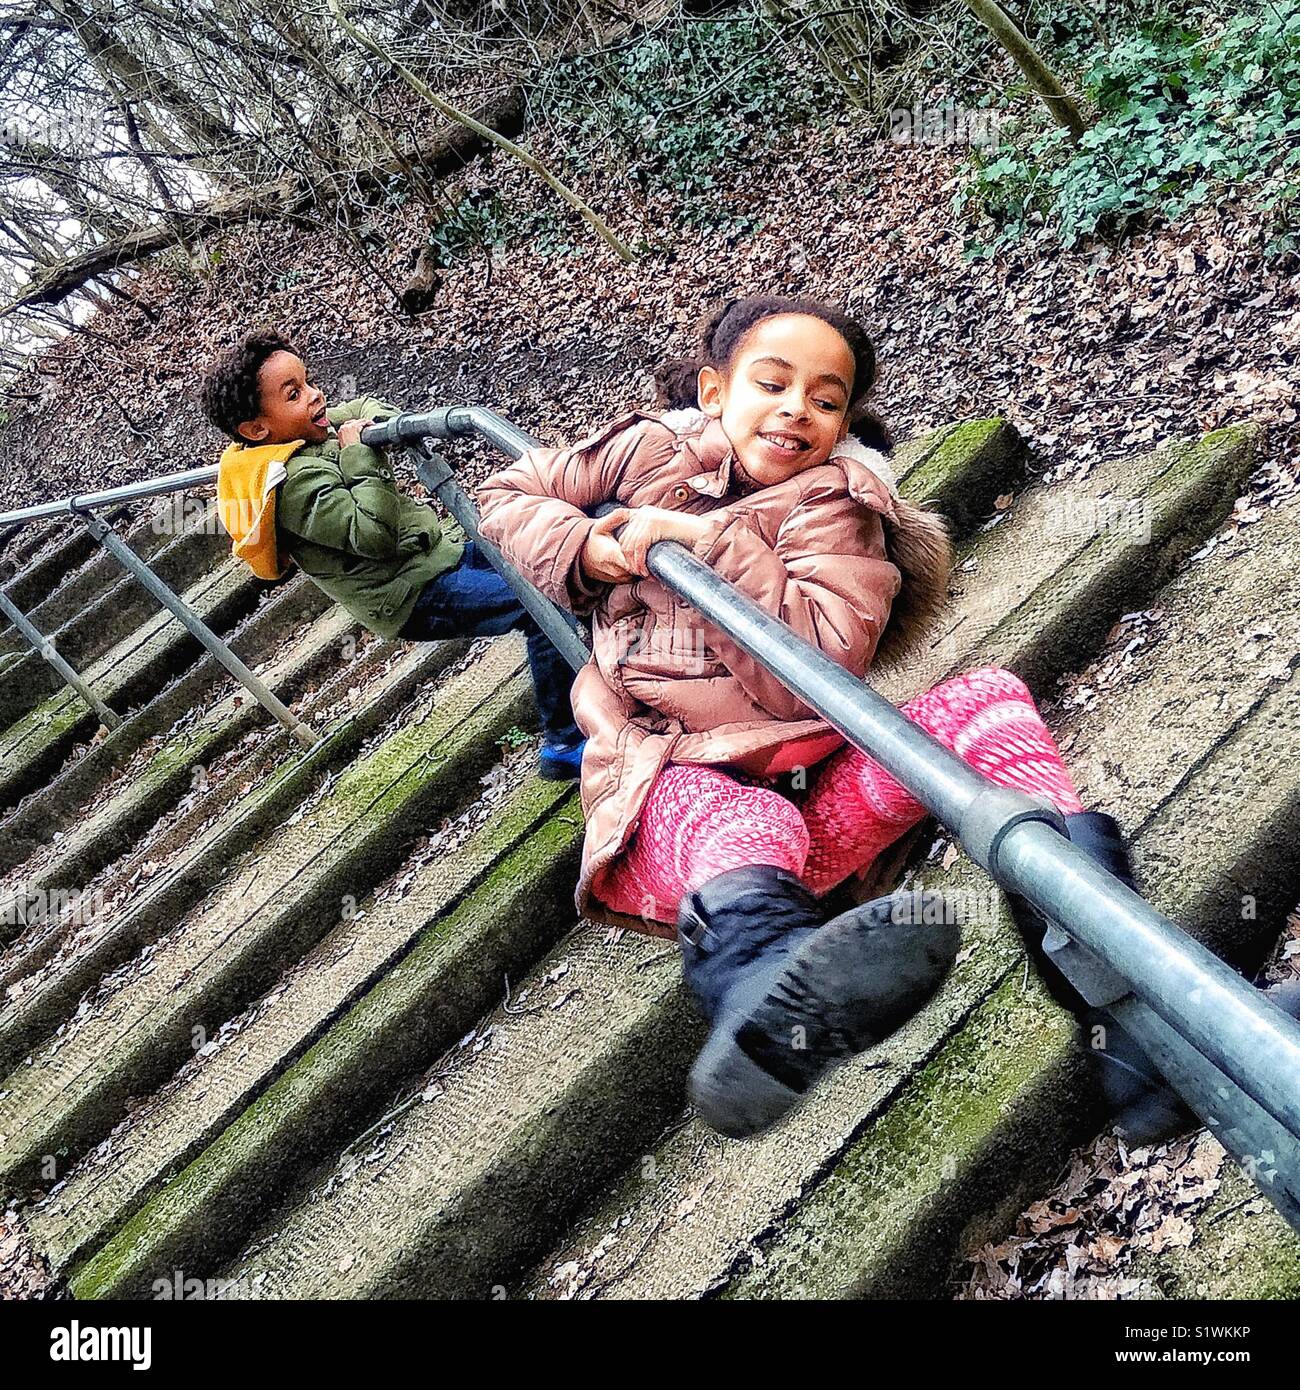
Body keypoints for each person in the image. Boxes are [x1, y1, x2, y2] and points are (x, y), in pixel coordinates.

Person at [199, 329, 585, 780]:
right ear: (256, 429)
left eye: (307, 381)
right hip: (411, 594)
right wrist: (360, 455)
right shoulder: (290, 487)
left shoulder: (311, 432)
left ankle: (612, 675)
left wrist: (368, 432)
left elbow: (364, 410)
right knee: (543, 602)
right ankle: (564, 740)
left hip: (438, 556)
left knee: (554, 556)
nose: (315, 395)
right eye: (294, 393)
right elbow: (372, 533)